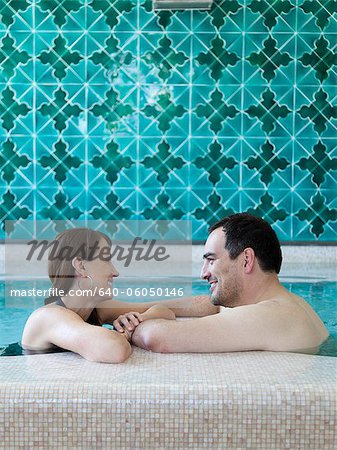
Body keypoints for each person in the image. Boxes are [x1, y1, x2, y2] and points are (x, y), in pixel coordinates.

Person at [123, 213, 329, 355]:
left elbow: (156, 337)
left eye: (211, 260)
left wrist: (139, 322)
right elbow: (214, 306)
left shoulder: (270, 316)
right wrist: (124, 309)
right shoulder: (284, 304)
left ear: (246, 260)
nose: (203, 273)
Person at [21, 228, 180, 363]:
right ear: (81, 266)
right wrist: (127, 333)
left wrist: (138, 319)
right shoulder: (47, 317)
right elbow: (114, 349)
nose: (115, 272)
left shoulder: (96, 310)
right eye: (106, 260)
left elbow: (164, 311)